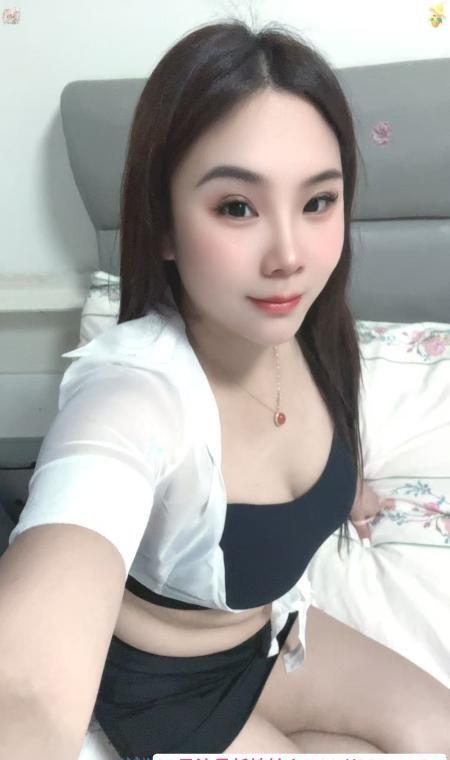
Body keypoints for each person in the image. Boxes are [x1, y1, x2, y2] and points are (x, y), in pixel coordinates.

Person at [0, 17, 449, 760]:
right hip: (163, 686)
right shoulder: (132, 395)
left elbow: (317, 436)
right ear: (164, 225)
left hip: (269, 636)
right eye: (237, 207)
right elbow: (26, 688)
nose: (290, 256)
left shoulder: (312, 328)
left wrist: (348, 488)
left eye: (318, 202)